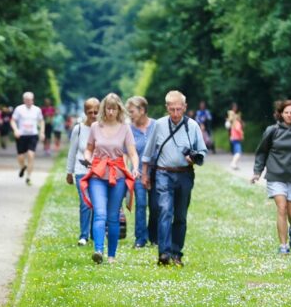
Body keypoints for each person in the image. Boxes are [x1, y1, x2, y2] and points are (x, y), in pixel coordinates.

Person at [141, 90, 208, 266]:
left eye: (179, 109)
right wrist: (145, 174)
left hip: (184, 174)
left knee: (180, 215)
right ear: (167, 108)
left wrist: (193, 158)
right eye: (172, 109)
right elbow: (148, 152)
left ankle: (176, 253)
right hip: (163, 173)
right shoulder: (159, 125)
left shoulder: (192, 126)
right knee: (165, 210)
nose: (176, 114)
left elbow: (202, 151)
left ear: (185, 107)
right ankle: (164, 252)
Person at [251, 100, 291, 255]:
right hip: (275, 175)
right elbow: (262, 152)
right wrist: (257, 172)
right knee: (282, 208)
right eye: (286, 112)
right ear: (281, 114)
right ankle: (283, 246)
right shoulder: (272, 130)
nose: (289, 115)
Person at [84, 94, 139, 263]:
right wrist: (88, 158)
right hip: (98, 175)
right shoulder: (95, 126)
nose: (111, 111)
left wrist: (135, 168)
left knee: (113, 216)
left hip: (118, 175)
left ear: (119, 109)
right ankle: (98, 250)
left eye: (114, 108)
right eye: (108, 108)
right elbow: (88, 149)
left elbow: (132, 152)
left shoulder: (125, 128)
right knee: (100, 213)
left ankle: (112, 255)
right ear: (103, 109)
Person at [65, 99, 100, 246]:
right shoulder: (78, 129)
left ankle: (94, 232)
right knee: (85, 202)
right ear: (85, 112)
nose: (93, 115)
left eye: (96, 112)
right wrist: (69, 172)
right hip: (81, 171)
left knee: (96, 203)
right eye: (90, 112)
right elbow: (72, 151)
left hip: (98, 171)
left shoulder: (102, 128)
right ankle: (84, 235)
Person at [127, 96, 156, 248]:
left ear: (142, 110)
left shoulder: (156, 126)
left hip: (157, 171)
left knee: (156, 205)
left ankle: (154, 236)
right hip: (138, 172)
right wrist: (128, 170)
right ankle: (140, 239)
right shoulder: (129, 130)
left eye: (132, 111)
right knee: (141, 204)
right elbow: (127, 152)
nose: (130, 115)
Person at [11, 91, 44, 185]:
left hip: (33, 135)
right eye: (27, 100)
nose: (29, 101)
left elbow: (41, 121)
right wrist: (15, 130)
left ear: (33, 100)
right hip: (21, 135)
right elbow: (13, 121)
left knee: (30, 155)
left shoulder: (37, 110)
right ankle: (22, 167)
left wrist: (42, 132)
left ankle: (28, 177)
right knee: (20, 156)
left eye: (31, 100)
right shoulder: (19, 109)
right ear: (24, 100)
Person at [227, 105, 244, 170]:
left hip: (234, 139)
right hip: (237, 139)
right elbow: (238, 129)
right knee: (238, 153)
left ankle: (234, 164)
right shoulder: (237, 123)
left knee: (236, 152)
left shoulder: (233, 123)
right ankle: (233, 164)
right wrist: (242, 134)